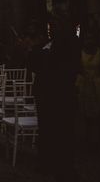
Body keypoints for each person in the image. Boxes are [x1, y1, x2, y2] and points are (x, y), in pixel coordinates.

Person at [29, 12, 80, 181]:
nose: (51, 29)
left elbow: (64, 69)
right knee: (46, 129)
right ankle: (46, 162)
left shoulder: (69, 44)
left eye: (55, 25)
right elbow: (34, 66)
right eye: (50, 25)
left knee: (63, 131)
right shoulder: (45, 44)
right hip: (44, 94)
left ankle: (63, 167)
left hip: (60, 95)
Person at [75, 30, 100, 145]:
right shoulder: (81, 53)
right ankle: (87, 137)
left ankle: (97, 139)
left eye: (91, 39)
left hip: (97, 85)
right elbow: (78, 69)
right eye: (87, 39)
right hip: (84, 84)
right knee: (85, 112)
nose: (89, 41)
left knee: (97, 113)